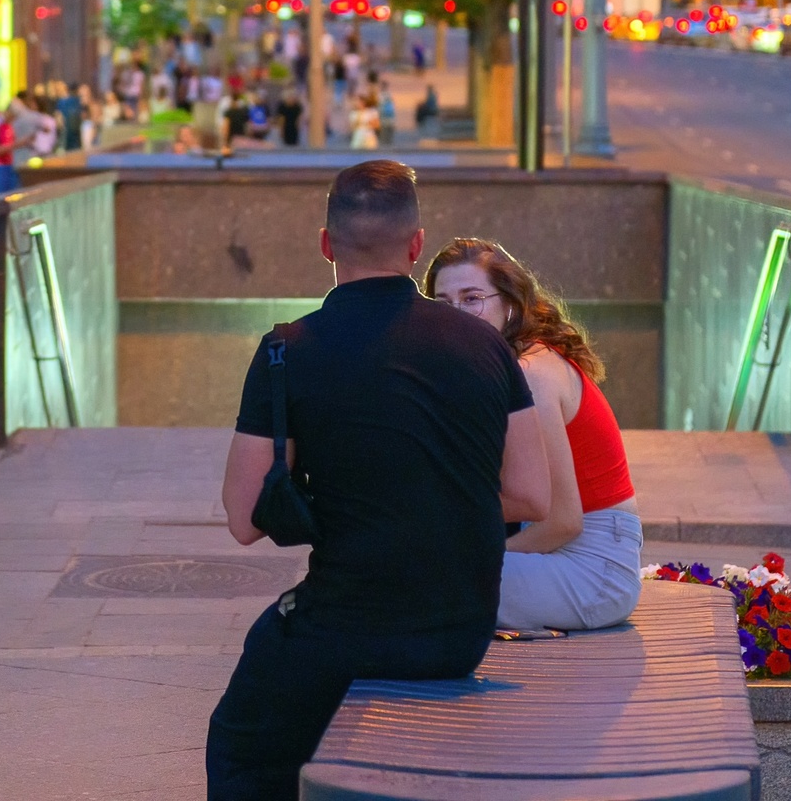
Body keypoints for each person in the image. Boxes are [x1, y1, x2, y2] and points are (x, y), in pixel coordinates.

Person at [207, 161, 550, 801]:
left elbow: (244, 518)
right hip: (458, 633)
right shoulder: (487, 348)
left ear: (326, 244)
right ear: (416, 246)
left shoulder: (287, 350)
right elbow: (534, 494)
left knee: (241, 744)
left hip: (343, 632)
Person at [425, 239, 642, 632]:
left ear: (510, 304)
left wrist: (480, 556)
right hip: (558, 550)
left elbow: (562, 522)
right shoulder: (502, 365)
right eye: (442, 303)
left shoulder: (531, 374)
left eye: (472, 298)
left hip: (593, 569)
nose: (455, 315)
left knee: (411, 585)